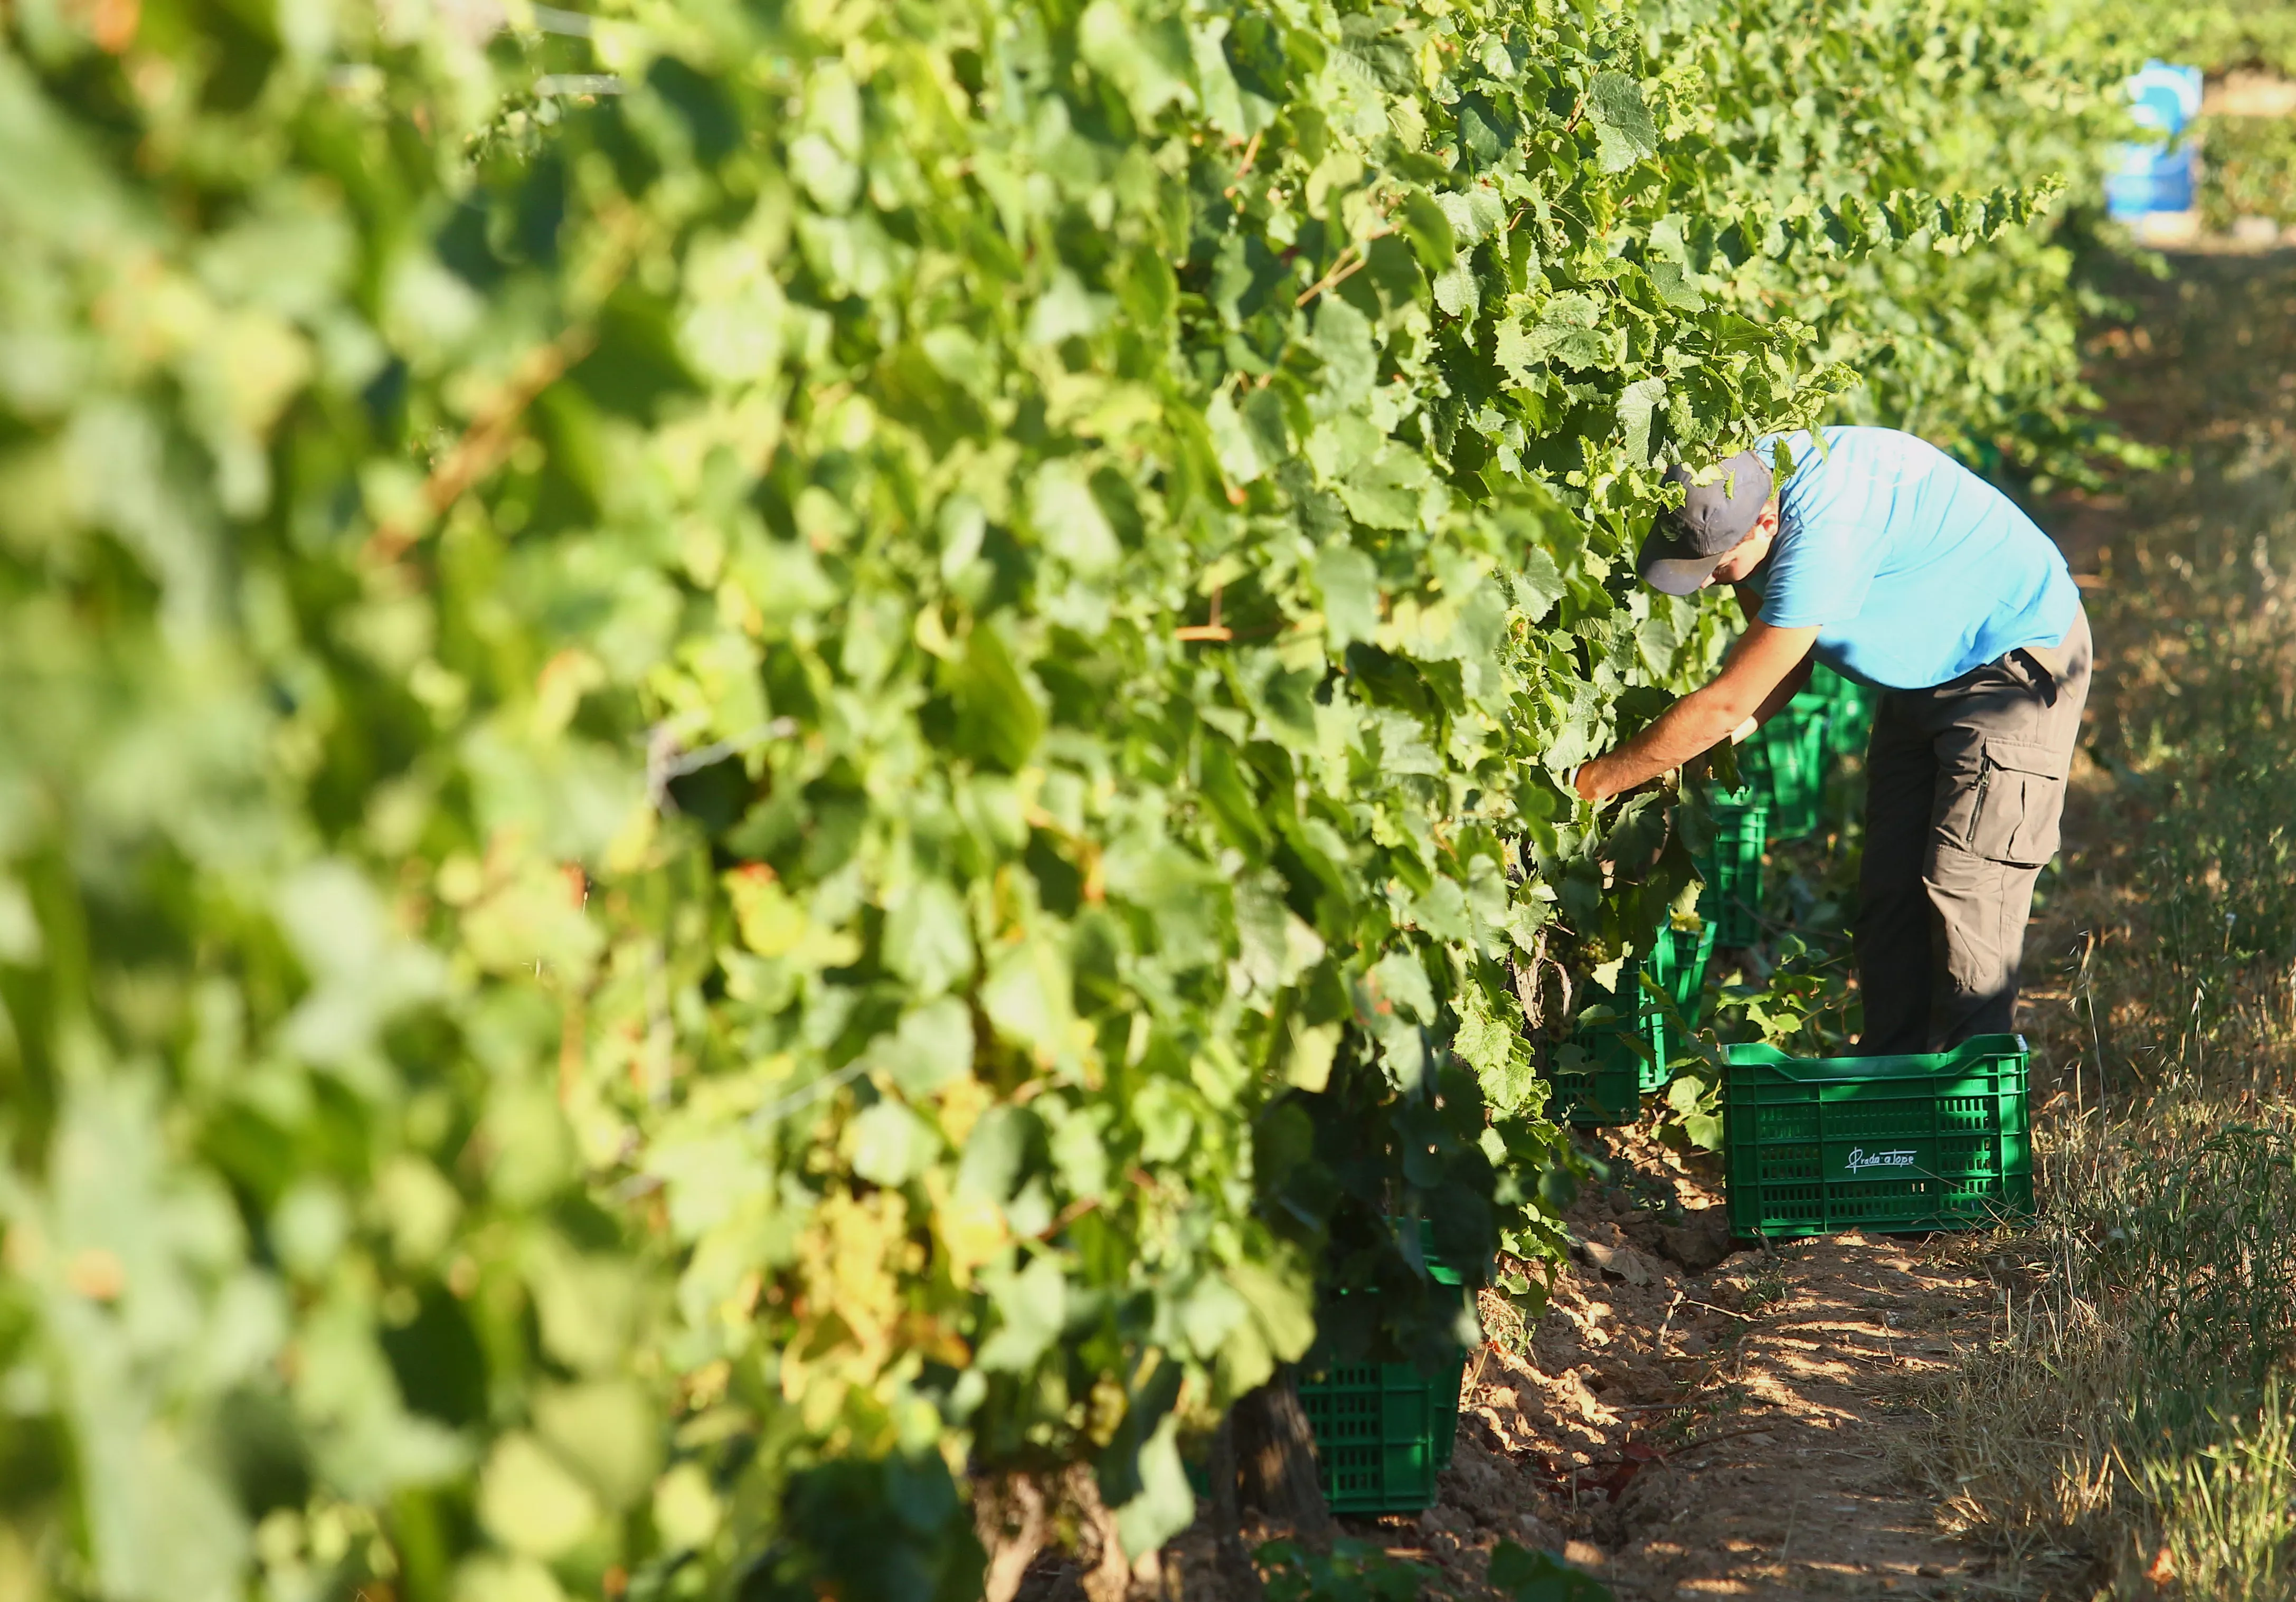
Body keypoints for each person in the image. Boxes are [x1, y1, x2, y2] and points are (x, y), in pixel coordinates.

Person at [1571, 427, 2090, 1055]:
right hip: (1923, 664)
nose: (1706, 582)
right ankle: (1890, 1090)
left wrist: (1592, 786)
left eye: (1717, 566)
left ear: (1766, 523)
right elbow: (1780, 671)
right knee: (1890, 894)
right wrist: (1680, 766)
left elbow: (1731, 699)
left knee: (1965, 893)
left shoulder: (1824, 535)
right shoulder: (1735, 486)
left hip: (2010, 661)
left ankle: (1963, 1112)